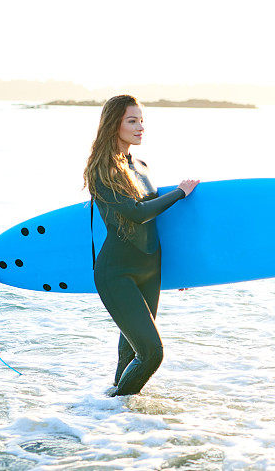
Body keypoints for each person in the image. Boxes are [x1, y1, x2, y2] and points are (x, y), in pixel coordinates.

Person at [82, 94, 199, 396]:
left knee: (132, 353)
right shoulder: (102, 170)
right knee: (152, 353)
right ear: (114, 125)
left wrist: (182, 270)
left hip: (150, 270)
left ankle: (114, 423)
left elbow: (160, 225)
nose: (140, 127)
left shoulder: (143, 166)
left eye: (141, 121)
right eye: (132, 121)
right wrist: (180, 194)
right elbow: (137, 213)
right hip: (117, 273)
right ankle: (110, 409)